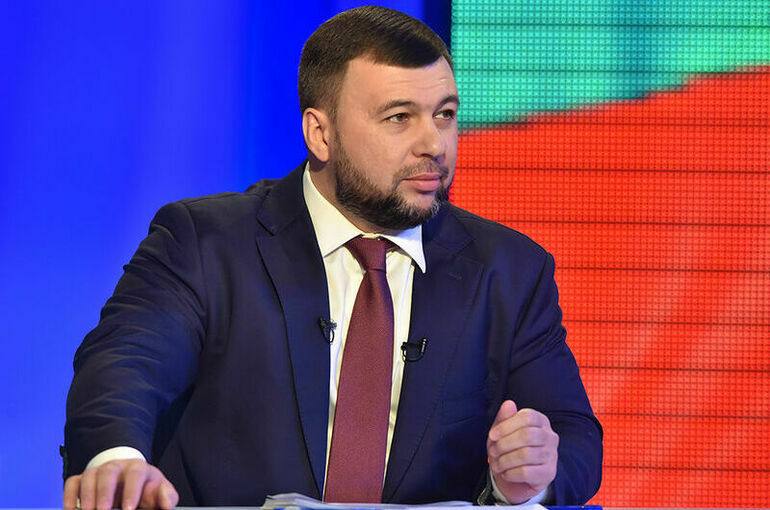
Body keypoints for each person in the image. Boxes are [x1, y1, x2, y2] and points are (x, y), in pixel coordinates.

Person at [62, 6, 602, 509]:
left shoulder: (509, 271)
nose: (434, 144)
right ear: (320, 134)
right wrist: (118, 460)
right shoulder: (206, 243)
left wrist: (529, 478)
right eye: (399, 117)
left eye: (445, 114)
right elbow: (124, 364)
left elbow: (575, 437)